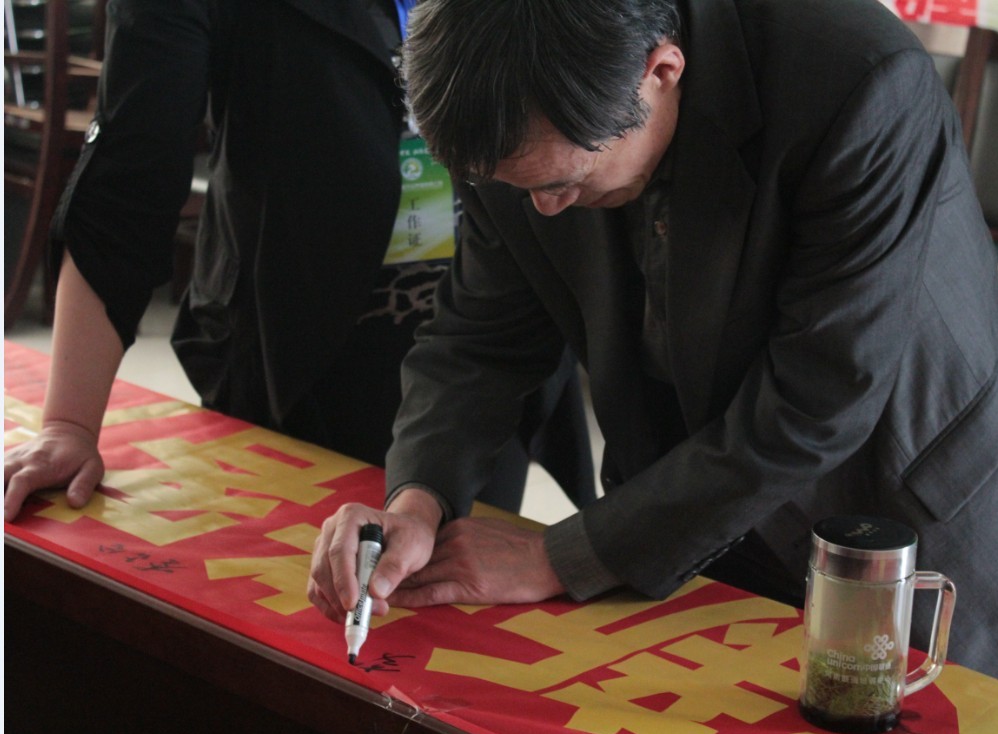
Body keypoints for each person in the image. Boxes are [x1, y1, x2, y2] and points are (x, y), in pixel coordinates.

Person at [305, 0, 998, 686]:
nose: (543, 209)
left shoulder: (857, 80)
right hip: (686, 515)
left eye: (562, 183)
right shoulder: (518, 115)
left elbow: (816, 404)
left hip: (901, 517)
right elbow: (483, 337)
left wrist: (556, 556)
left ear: (660, 71)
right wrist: (417, 501)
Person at [2, 0, 596, 522]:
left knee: (452, 576)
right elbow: (130, 180)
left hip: (490, 337)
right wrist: (69, 425)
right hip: (290, 339)